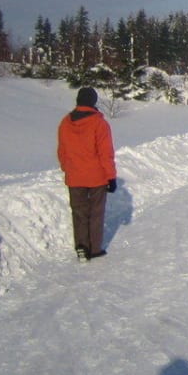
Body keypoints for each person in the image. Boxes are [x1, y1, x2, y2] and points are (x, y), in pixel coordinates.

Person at [57, 87, 117, 261]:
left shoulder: (65, 122)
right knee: (96, 212)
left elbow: (62, 151)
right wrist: (110, 177)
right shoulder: (99, 123)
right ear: (93, 102)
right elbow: (105, 153)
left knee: (79, 212)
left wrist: (67, 168)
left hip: (74, 176)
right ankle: (95, 248)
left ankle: (81, 247)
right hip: (96, 176)